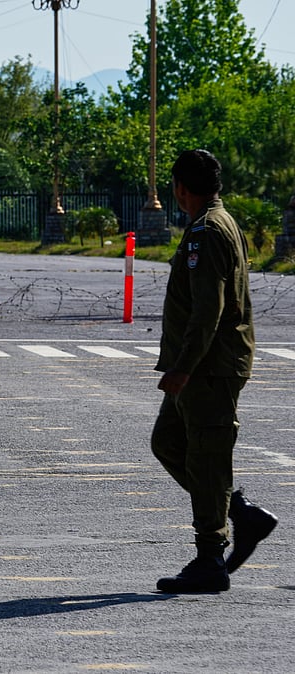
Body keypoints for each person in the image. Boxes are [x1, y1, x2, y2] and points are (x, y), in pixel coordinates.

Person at [151, 150, 278, 593]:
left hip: (209, 367)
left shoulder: (207, 230)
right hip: (207, 364)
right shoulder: (219, 221)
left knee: (207, 457)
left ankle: (210, 558)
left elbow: (209, 309)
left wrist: (183, 368)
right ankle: (240, 512)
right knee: (169, 442)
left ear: (181, 188)